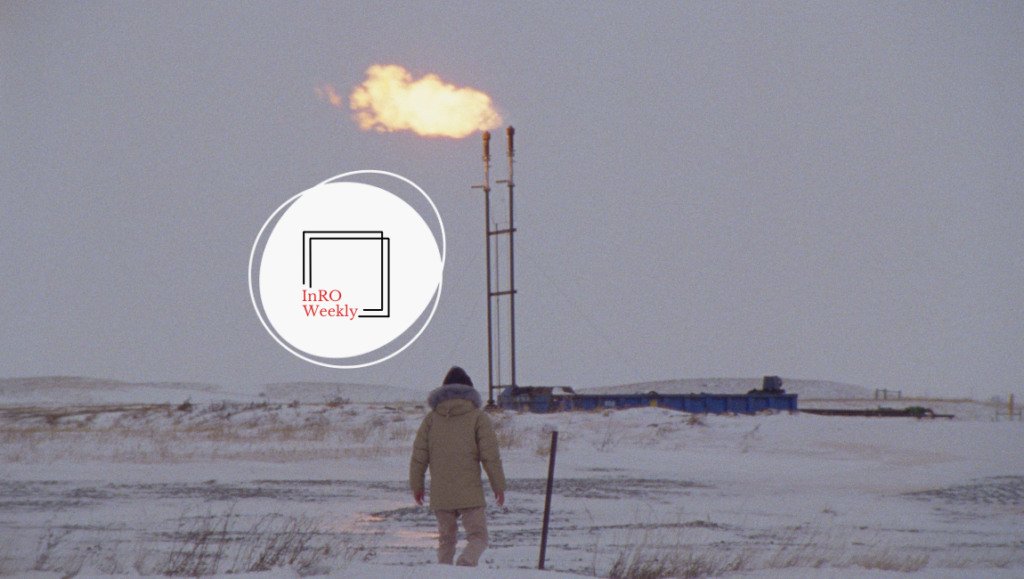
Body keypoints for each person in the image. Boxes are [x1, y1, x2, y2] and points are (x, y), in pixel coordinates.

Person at [409, 366, 506, 566]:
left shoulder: (431, 419)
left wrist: (417, 486)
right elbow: (490, 456)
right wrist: (499, 486)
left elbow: (419, 456)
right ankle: (466, 563)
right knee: (479, 537)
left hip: (441, 492)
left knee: (446, 540)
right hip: (469, 491)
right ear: (469, 390)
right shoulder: (478, 417)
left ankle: (443, 573)